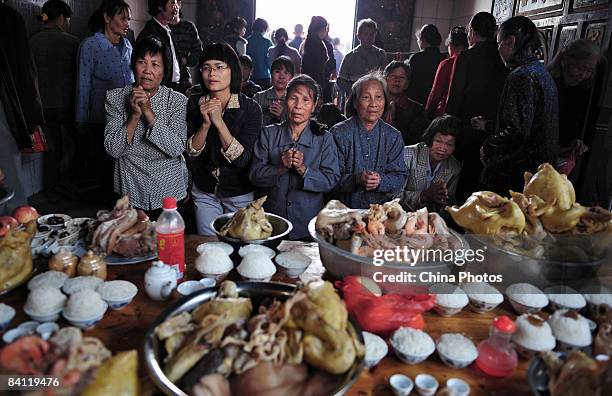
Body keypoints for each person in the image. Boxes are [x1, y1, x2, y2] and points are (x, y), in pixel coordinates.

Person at [249, 75, 340, 239]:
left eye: (306, 100)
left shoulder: (324, 139)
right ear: (285, 101)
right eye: (293, 99)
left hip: (308, 224)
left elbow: (331, 180)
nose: (298, 106)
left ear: (314, 106)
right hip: (272, 222)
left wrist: (303, 169)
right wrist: (280, 168)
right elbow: (254, 175)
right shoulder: (269, 134)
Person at [104, 37, 187, 216]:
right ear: (133, 65)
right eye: (142, 62)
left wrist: (148, 112)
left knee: (167, 240)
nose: (147, 71)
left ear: (164, 71)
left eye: (155, 65)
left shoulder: (177, 101)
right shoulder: (115, 98)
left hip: (169, 189)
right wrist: (134, 116)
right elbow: (113, 150)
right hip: (130, 188)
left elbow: (176, 148)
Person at [186, 42, 263, 235]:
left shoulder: (250, 109)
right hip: (205, 190)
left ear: (233, 71)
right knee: (210, 249)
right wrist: (205, 124)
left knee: (242, 248)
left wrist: (219, 122)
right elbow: (191, 154)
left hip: (240, 191)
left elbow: (243, 159)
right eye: (206, 68)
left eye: (219, 67)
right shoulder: (195, 103)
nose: (212, 73)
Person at [481, 16, 559, 195]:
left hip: (516, 173)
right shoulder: (542, 73)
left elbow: (517, 130)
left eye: (499, 43)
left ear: (511, 41)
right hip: (538, 173)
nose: (498, 49)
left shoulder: (521, 76)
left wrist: (488, 146)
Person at [445, 12, 509, 201]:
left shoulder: (467, 56)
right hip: (496, 129)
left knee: (463, 178)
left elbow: (454, 95)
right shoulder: (503, 57)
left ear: (472, 32)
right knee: (484, 182)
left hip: (468, 126)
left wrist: (448, 124)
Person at [76, 0, 133, 200]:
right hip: (101, 117)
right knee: (105, 166)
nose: (127, 23)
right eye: (122, 18)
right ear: (107, 18)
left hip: (127, 115)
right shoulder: (91, 45)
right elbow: (83, 83)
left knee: (123, 164)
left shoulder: (127, 46)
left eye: (129, 19)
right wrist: (81, 119)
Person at [331, 72, 407, 208]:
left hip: (381, 215)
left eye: (378, 97)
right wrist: (357, 179)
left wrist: (380, 181)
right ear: (355, 102)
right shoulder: (339, 133)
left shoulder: (393, 136)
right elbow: (330, 178)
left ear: (385, 101)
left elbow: (400, 176)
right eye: (366, 97)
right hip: (343, 212)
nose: (373, 104)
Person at [29, 0, 80, 201]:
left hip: (42, 106)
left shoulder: (32, 42)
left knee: (52, 150)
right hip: (68, 105)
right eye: (66, 19)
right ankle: (67, 185)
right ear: (60, 18)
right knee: (74, 146)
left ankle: (51, 188)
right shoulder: (72, 42)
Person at [0, 2, 45, 214]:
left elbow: (25, 73)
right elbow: (26, 74)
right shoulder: (9, 18)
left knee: (9, 191)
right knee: (10, 188)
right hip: (5, 110)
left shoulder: (9, 18)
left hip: (5, 108)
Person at [547, 39, 602, 178]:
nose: (583, 75)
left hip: (563, 160)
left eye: (589, 70)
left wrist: (577, 141)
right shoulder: (549, 83)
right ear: (566, 61)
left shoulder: (585, 90)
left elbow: (577, 124)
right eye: (579, 68)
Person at [400, 115, 462, 213]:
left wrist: (443, 201)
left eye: (449, 144)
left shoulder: (454, 167)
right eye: (438, 141)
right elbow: (391, 195)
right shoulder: (407, 155)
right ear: (430, 138)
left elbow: (448, 206)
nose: (442, 148)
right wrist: (424, 195)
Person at [425, 26, 468, 118]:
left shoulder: (447, 63)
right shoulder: (472, 62)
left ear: (450, 45)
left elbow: (436, 93)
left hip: (444, 114)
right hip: (464, 115)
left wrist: (427, 113)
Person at [383, 61, 430, 146]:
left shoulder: (417, 110)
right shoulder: (374, 104)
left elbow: (417, 140)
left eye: (402, 78)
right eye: (393, 76)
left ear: (407, 84)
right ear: (385, 79)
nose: (397, 80)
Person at [138, 0, 181, 89]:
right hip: (160, 89)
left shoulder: (167, 29)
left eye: (177, 3)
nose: (176, 7)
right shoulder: (151, 32)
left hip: (174, 88)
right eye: (172, 3)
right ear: (160, 6)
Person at [337, 19, 387, 97]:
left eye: (372, 34)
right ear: (359, 36)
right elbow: (341, 80)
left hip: (374, 96)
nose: (369, 38)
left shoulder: (380, 54)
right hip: (354, 97)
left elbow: (384, 78)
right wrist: (354, 91)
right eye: (365, 34)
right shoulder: (350, 57)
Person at [405, 24, 446, 105]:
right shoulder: (444, 59)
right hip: (435, 103)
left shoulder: (415, 58)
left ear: (422, 39)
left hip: (415, 102)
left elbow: (408, 80)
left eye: (418, 39)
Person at [169, 0, 203, 94]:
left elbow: (198, 52)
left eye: (174, 3)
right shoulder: (163, 27)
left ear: (179, 4)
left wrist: (186, 60)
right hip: (165, 80)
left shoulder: (188, 27)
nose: (173, 7)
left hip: (184, 80)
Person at [253, 56, 294, 126]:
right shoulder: (259, 97)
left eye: (286, 73)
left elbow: (299, 127)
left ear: (292, 77)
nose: (281, 76)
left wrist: (283, 115)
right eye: (277, 72)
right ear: (271, 74)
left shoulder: (295, 100)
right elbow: (250, 123)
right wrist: (266, 114)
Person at [301, 16, 330, 95]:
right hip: (315, 86)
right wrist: (320, 90)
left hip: (306, 83)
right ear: (324, 29)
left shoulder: (307, 43)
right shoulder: (319, 46)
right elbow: (319, 71)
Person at [246, 18, 274, 89]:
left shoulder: (247, 41)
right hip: (263, 76)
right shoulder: (267, 42)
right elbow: (269, 62)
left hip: (249, 76)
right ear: (265, 28)